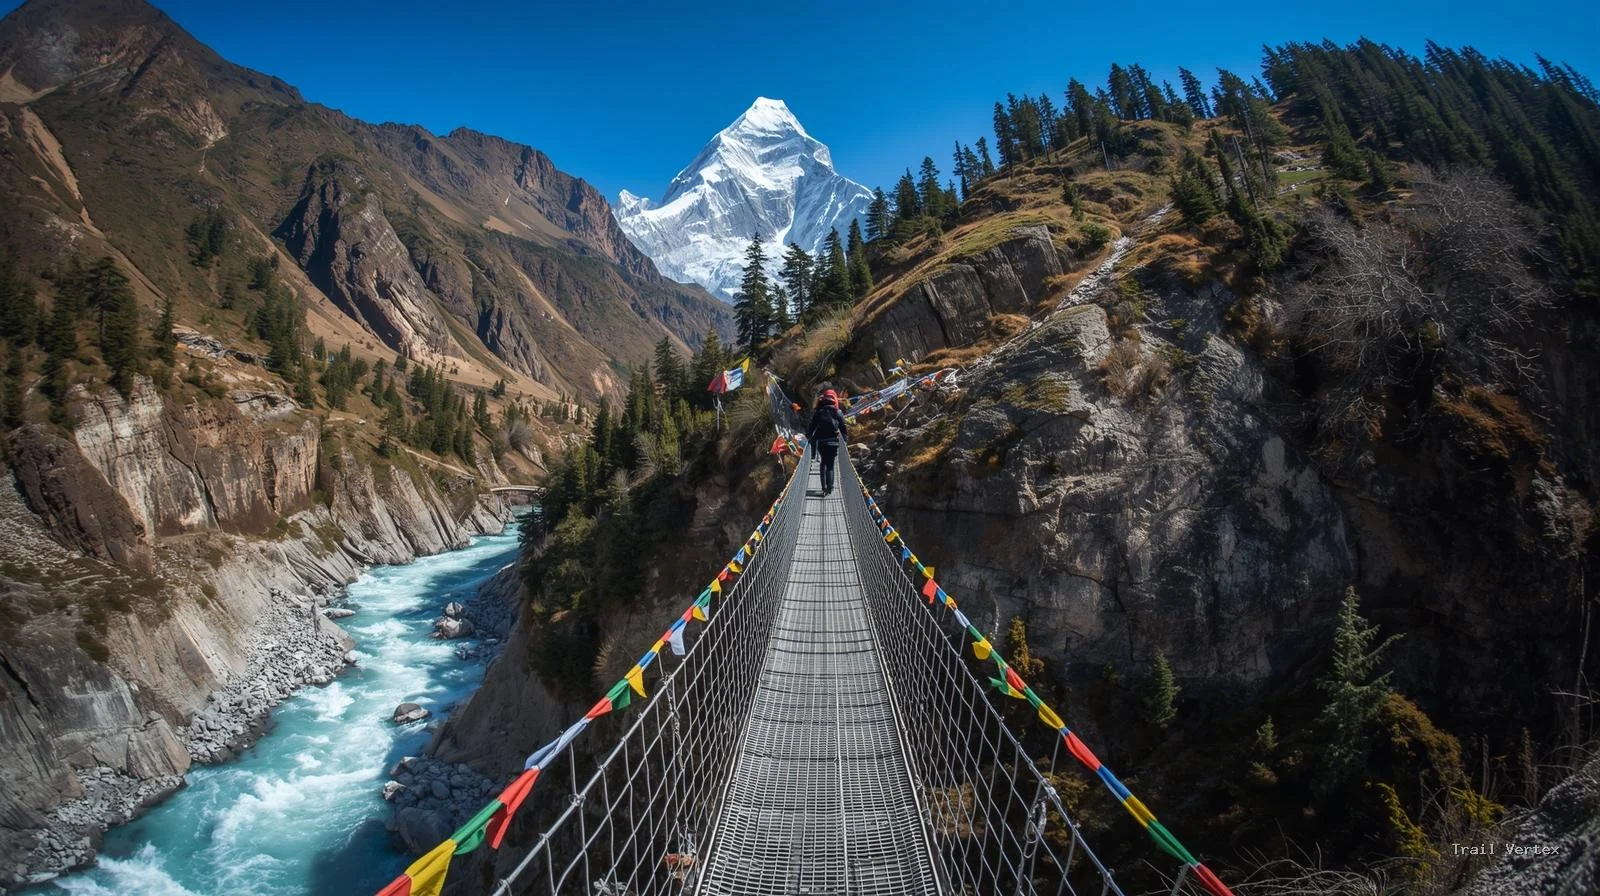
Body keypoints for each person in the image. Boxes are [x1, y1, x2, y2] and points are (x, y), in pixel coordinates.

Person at [804, 389, 847, 495]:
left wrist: (808, 436)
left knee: (823, 462)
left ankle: (823, 488)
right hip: (833, 441)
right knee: (831, 465)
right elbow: (843, 427)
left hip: (821, 442)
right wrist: (845, 440)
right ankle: (830, 488)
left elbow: (812, 426)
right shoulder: (838, 411)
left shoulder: (819, 411)